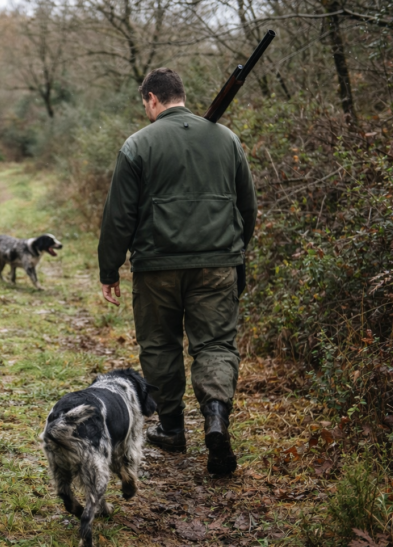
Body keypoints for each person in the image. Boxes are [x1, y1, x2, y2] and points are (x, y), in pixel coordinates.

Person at [97, 68, 256, 476]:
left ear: (151, 99)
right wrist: (234, 253)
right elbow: (247, 208)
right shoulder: (228, 139)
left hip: (157, 268)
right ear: (181, 95)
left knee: (160, 345)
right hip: (218, 264)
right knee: (216, 346)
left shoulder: (137, 145)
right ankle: (216, 420)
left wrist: (109, 268)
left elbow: (119, 216)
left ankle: (171, 429)